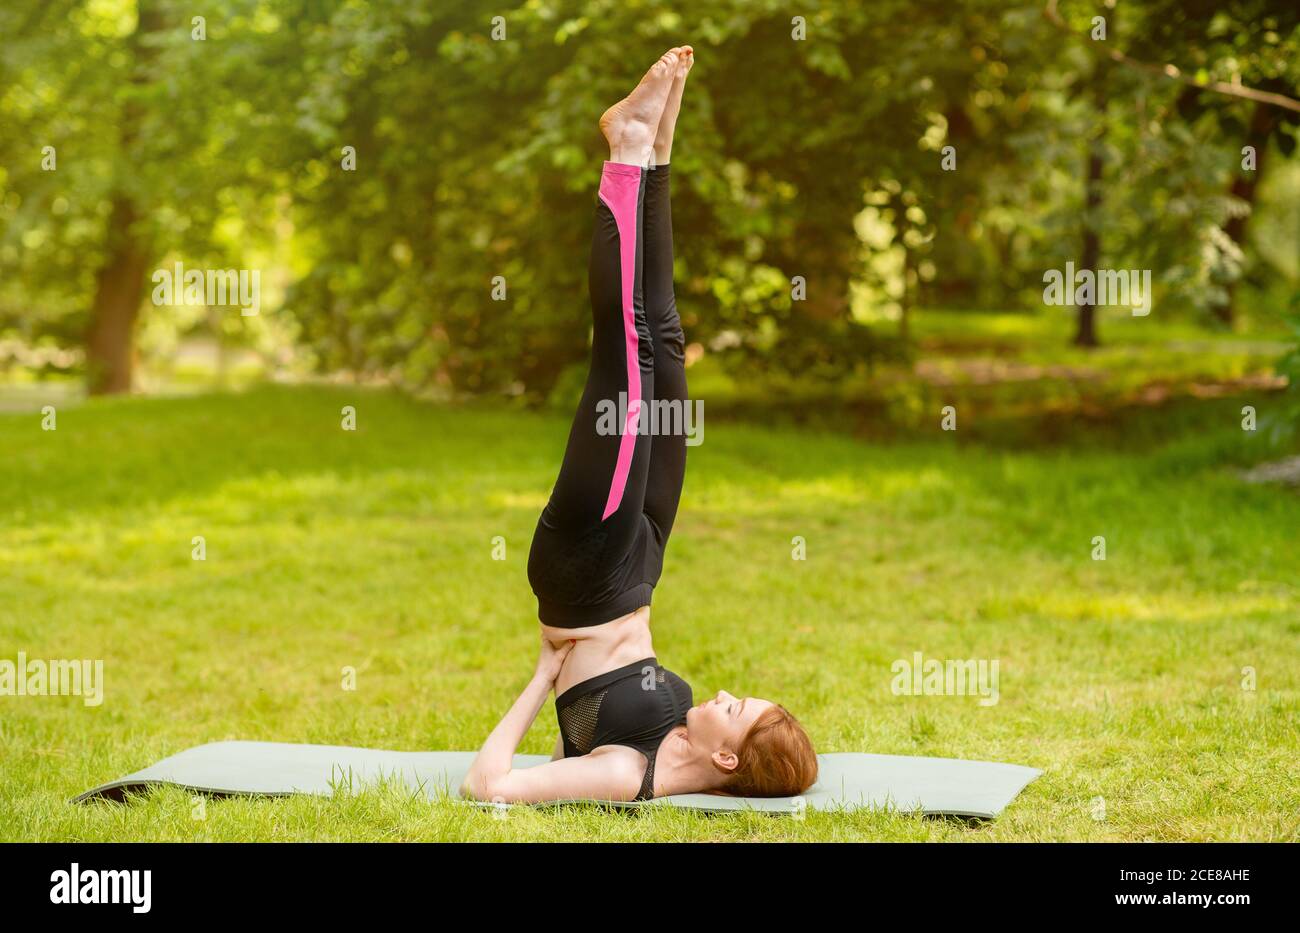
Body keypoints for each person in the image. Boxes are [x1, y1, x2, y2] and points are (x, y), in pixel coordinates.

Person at [462, 47, 817, 806]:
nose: (723, 692)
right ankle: (657, 155)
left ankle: (625, 150)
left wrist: (539, 680)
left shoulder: (630, 775)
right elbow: (579, 730)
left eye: (734, 707)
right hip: (640, 557)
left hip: (588, 568)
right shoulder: (678, 738)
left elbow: (488, 786)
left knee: (623, 350)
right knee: (662, 341)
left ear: (725, 760)